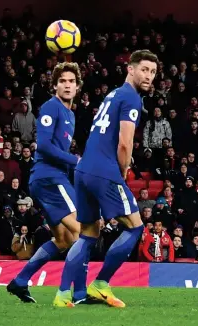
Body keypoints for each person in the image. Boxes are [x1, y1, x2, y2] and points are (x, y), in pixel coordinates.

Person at [55, 50, 158, 307]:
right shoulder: (131, 98)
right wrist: (122, 171)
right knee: (135, 227)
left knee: (88, 234)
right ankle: (101, 283)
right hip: (104, 170)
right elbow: (125, 144)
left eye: (153, 72)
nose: (148, 76)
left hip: (84, 169)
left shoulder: (112, 94)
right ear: (130, 70)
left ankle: (65, 295)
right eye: (144, 69)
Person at [7, 62, 82, 303]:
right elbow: (46, 146)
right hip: (49, 178)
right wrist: (75, 160)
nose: (67, 85)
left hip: (49, 179)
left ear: (78, 86)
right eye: (63, 81)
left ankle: (19, 281)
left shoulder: (70, 114)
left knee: (64, 240)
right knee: (84, 232)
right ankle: (78, 293)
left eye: (71, 81)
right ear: (55, 86)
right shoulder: (52, 107)